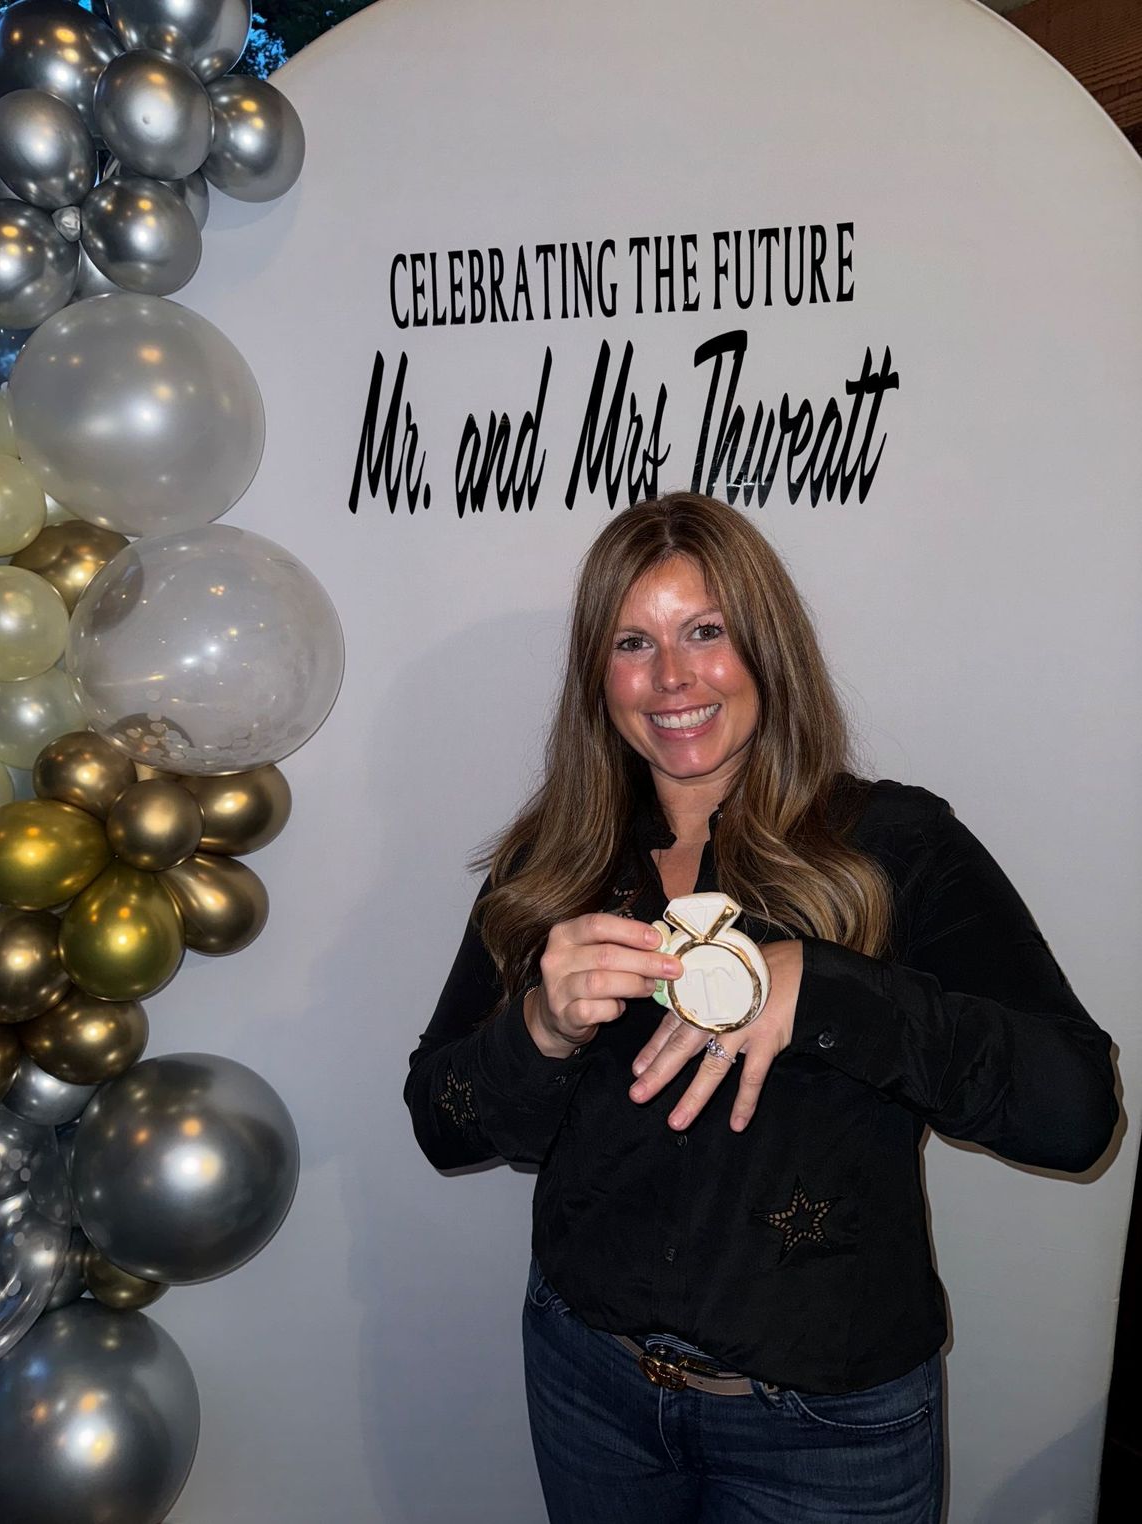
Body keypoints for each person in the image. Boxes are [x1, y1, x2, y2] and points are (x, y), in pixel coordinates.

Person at [404, 492, 1117, 1524]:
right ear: (597, 680)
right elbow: (441, 1123)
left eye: (707, 632)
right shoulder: (550, 864)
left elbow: (1076, 1112)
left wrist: (826, 988)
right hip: (587, 1381)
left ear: (765, 647)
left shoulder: (893, 847)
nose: (674, 678)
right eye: (632, 643)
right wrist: (538, 1035)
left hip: (827, 1431)